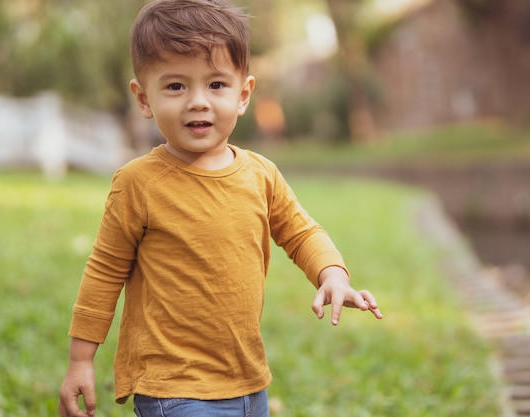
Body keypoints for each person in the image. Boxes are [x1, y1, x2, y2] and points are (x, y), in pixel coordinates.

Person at [58, 1, 383, 416]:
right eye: (176, 86)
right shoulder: (138, 183)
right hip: (172, 387)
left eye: (216, 85)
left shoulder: (261, 174)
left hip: (249, 383)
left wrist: (333, 274)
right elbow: (104, 272)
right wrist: (80, 361)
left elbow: (302, 233)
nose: (198, 101)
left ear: (243, 94)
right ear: (143, 98)